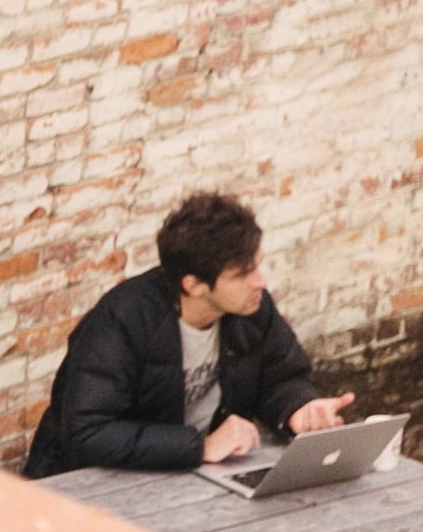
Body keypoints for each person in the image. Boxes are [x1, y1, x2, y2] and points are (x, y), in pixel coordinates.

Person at [23, 191, 354, 479]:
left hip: (196, 475)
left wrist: (298, 409)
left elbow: (283, 377)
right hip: (90, 488)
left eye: (256, 266)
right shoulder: (123, 321)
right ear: (193, 285)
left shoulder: (250, 309)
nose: (260, 281)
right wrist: (200, 447)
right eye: (243, 274)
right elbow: (87, 433)